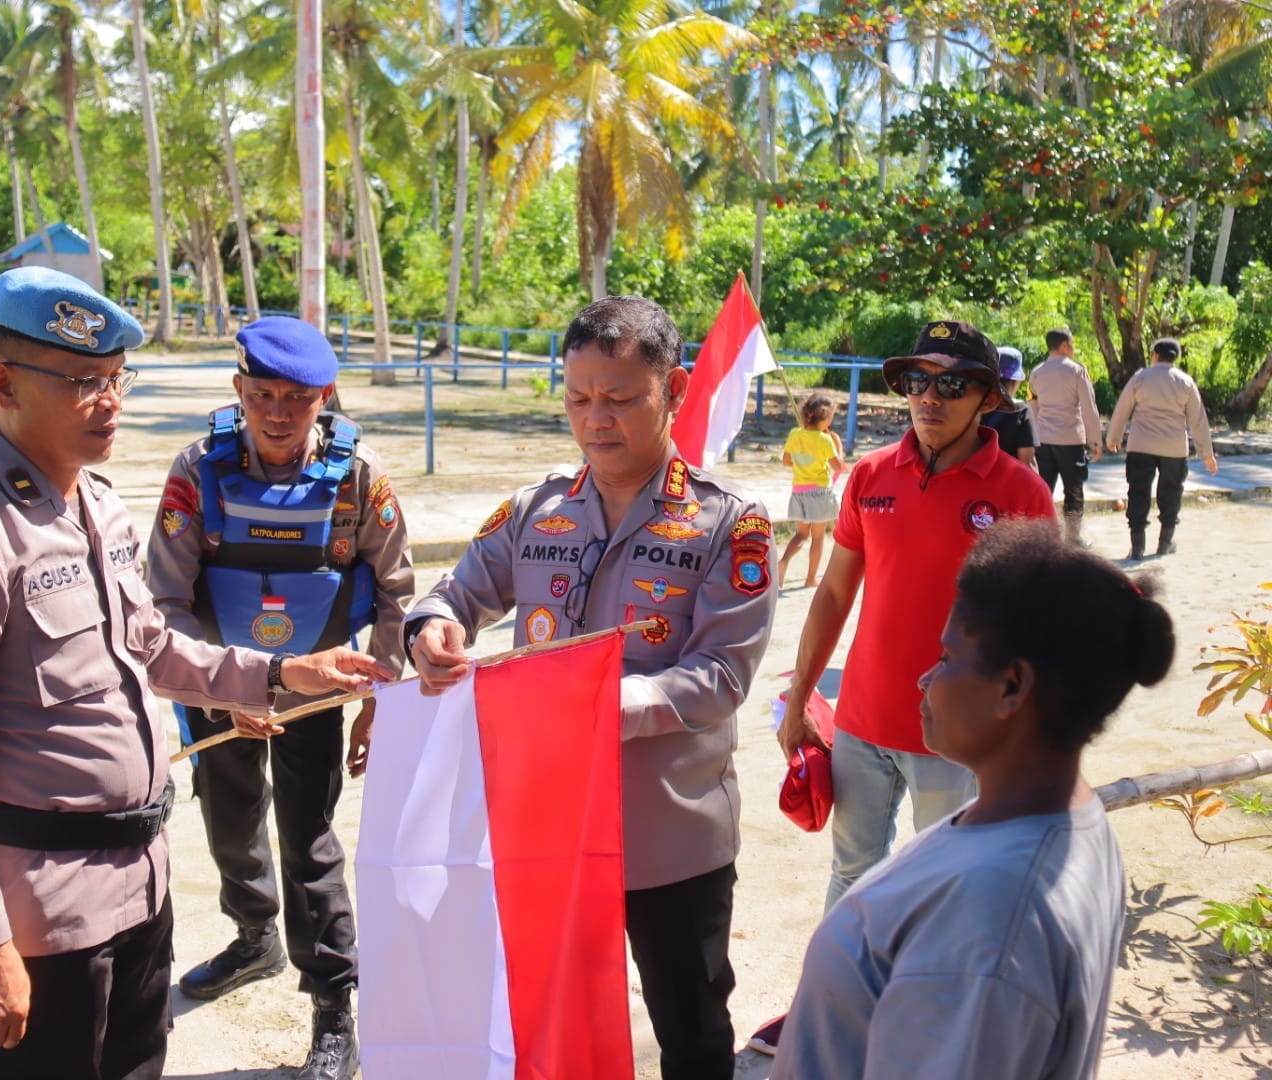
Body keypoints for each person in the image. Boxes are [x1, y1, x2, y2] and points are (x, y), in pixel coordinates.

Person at [0, 266, 391, 1080]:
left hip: (138, 891)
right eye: (85, 381)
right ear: (4, 383)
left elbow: (153, 645)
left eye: (118, 379)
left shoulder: (98, 506)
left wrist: (282, 674)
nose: (111, 401)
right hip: (40, 915)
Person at [404, 295, 777, 1080]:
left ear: (674, 391)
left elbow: (720, 677)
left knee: (693, 1025)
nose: (595, 419)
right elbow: (458, 592)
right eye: (578, 398)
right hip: (548, 829)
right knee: (553, 1018)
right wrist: (429, 629)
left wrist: (592, 706)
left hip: (669, 836)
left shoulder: (728, 524)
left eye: (620, 398)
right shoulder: (537, 511)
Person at [771, 519, 1174, 1079]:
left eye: (947, 657)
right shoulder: (1056, 820)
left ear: (1011, 687)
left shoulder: (990, 927)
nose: (924, 680)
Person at [750, 321, 1055, 1057]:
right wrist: (798, 702)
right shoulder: (870, 475)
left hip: (958, 739)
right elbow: (832, 594)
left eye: (952, 383)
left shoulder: (1020, 493)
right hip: (859, 723)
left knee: (956, 886)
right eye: (917, 381)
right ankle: (828, 1007)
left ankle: (935, 1029)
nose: (930, 397)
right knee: (851, 872)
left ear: (989, 397)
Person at [145, 316, 413, 1079]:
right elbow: (160, 602)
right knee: (230, 826)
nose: (277, 412)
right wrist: (224, 688)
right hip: (216, 688)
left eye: (296, 397)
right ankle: (253, 937)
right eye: (261, 393)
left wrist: (377, 699)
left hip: (315, 693)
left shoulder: (359, 476)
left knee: (309, 841)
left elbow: (396, 592)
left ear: (323, 397)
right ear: (238, 390)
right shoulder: (195, 472)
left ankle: (333, 1005)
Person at [1105, 337, 1217, 560]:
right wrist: (1207, 453)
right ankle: (1165, 543)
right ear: (1176, 357)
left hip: (1141, 445)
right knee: (1171, 493)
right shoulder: (1185, 382)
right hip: (1174, 448)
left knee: (1138, 491)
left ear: (1155, 354)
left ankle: (1137, 547)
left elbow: (1122, 409)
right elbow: (1198, 420)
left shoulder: (1140, 378)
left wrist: (1113, 437)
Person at [1028, 327, 1104, 546]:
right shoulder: (1077, 371)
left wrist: (1034, 437)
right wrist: (1095, 441)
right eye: (1072, 343)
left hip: (1043, 441)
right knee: (1074, 489)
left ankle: (1040, 537)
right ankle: (1073, 537)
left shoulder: (1036, 372)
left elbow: (1032, 407)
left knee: (1043, 489)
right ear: (1063, 346)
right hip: (1071, 440)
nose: (1073, 347)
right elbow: (1089, 407)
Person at [777, 393, 845, 589]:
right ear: (824, 417)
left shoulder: (795, 434)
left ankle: (783, 561)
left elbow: (786, 461)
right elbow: (838, 466)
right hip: (820, 493)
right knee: (817, 537)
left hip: (799, 491)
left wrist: (803, 462)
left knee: (801, 534)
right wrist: (838, 446)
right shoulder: (826, 440)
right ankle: (810, 578)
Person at [982, 346, 1037, 467]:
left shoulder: (974, 406)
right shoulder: (1021, 411)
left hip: (975, 479)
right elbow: (1027, 462)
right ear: (1016, 381)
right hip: (1008, 482)